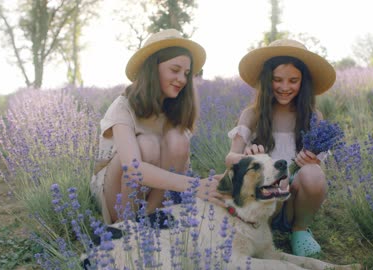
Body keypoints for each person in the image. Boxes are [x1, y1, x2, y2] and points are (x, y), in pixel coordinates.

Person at [91, 29, 222, 225]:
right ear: (153, 69)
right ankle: (125, 224)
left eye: (186, 73)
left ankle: (149, 219)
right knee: (147, 144)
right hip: (116, 191)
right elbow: (133, 169)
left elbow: (180, 164)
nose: (182, 79)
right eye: (175, 70)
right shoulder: (123, 106)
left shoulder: (175, 109)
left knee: (178, 140)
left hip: (156, 195)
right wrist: (196, 186)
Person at [225, 39, 336, 257]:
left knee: (313, 173)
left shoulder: (313, 117)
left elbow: (316, 172)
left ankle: (300, 230)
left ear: (303, 83)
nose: (285, 87)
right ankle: (262, 229)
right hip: (262, 197)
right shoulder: (253, 114)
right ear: (267, 81)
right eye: (277, 80)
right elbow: (230, 157)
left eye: (293, 81)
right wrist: (248, 160)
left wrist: (309, 161)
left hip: (294, 199)